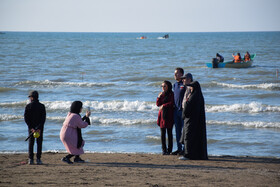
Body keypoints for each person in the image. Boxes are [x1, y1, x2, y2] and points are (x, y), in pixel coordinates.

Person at [179, 81, 208, 160]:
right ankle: (193, 154)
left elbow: (187, 107)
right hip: (195, 120)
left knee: (188, 137)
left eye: (191, 87)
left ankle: (187, 155)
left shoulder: (193, 96)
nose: (190, 88)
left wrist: (187, 100)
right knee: (192, 137)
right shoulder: (199, 96)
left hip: (190, 120)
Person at [24, 91, 46, 165]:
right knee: (39, 143)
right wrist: (39, 127)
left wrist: (31, 128)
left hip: (31, 128)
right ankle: (38, 159)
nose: (29, 99)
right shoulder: (42, 106)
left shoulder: (28, 106)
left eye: (30, 97)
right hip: (40, 128)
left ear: (32, 98)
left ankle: (31, 159)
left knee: (31, 143)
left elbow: (26, 118)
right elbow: (43, 118)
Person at [156, 80, 174, 155]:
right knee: (162, 133)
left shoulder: (171, 94)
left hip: (169, 115)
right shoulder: (161, 94)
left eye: (164, 86)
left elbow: (172, 103)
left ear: (168, 86)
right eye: (162, 86)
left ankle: (169, 150)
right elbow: (158, 104)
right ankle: (164, 149)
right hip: (162, 115)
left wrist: (164, 105)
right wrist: (158, 97)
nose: (163, 88)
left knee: (169, 133)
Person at [172, 67, 186, 155]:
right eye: (175, 73)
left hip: (183, 111)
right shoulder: (175, 85)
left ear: (181, 74)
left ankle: (185, 149)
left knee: (184, 131)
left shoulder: (184, 84)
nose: (175, 75)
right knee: (177, 131)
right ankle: (179, 148)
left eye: (177, 73)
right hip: (176, 111)